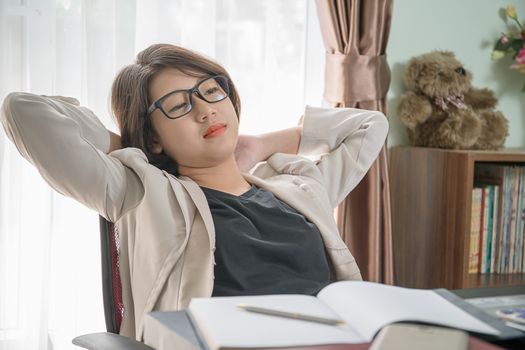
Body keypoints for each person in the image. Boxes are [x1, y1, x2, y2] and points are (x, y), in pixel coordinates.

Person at [0, 43, 388, 340]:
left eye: (210, 91)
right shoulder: (144, 193)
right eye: (177, 106)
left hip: (333, 340)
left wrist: (262, 144)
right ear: (154, 136)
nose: (205, 110)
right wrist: (135, 149)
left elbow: (370, 125)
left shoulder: (299, 186)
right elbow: (24, 111)